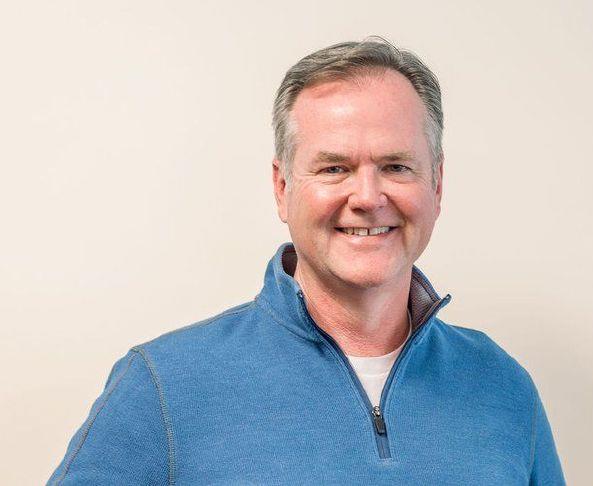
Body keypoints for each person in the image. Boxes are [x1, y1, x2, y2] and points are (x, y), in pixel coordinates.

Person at [48, 37, 565, 485]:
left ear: (437, 184)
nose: (368, 197)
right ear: (282, 188)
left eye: (396, 166)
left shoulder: (503, 387)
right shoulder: (161, 387)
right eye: (335, 168)